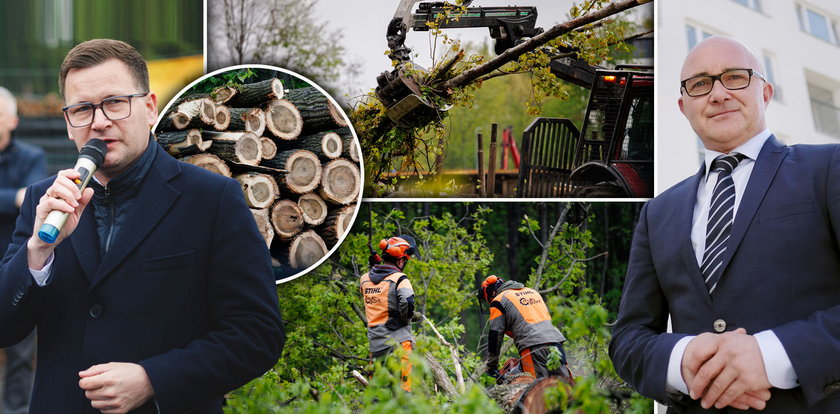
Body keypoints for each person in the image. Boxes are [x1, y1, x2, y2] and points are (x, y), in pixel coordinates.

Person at [0, 39, 284, 413]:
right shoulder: (43, 201)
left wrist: (154, 378)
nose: (99, 121)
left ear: (149, 108)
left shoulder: (212, 199)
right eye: (83, 109)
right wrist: (37, 250)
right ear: (69, 124)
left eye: (115, 102)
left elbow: (257, 334)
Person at [609, 35, 840, 413]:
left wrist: (771, 356)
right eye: (700, 84)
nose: (718, 93)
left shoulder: (828, 168)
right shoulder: (657, 212)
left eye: (735, 77)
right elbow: (628, 338)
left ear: (765, 93)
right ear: (684, 107)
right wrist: (683, 359)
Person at [0, 86, 47, 414]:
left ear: (13, 120)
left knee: (19, 351)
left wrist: (19, 198)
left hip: (15, 264)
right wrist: (11, 198)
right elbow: (16, 199)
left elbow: (28, 200)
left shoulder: (33, 156)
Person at [480, 275, 572, 382]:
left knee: (535, 389)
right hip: (556, 342)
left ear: (492, 293)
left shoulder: (498, 300)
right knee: (565, 387)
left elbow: (495, 336)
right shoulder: (532, 292)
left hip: (533, 346)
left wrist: (492, 366)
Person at [360, 235, 417, 392]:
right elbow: (408, 301)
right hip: (399, 343)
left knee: (378, 394)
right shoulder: (400, 279)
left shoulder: (364, 279)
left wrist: (375, 267)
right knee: (404, 390)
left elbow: (376, 285)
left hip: (376, 345)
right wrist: (404, 320)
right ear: (400, 260)